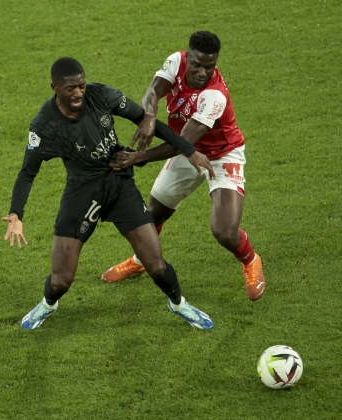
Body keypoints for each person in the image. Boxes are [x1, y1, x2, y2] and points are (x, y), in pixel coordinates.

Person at [3, 57, 216, 330]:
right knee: (61, 280)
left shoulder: (101, 95)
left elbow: (148, 122)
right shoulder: (44, 126)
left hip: (119, 183)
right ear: (55, 87)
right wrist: (16, 213)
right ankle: (48, 304)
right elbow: (27, 173)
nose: (78, 92)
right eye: (70, 88)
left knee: (157, 265)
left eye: (81, 85)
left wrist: (190, 150)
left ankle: (178, 303)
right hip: (82, 190)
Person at [102, 31, 266, 301]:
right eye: (198, 64)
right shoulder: (175, 61)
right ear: (188, 56)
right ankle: (140, 260)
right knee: (152, 215)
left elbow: (182, 143)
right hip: (187, 150)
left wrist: (136, 158)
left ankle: (250, 260)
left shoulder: (214, 96)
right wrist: (150, 117)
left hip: (221, 155)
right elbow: (154, 90)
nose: (202, 72)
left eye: (209, 67)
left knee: (224, 231)